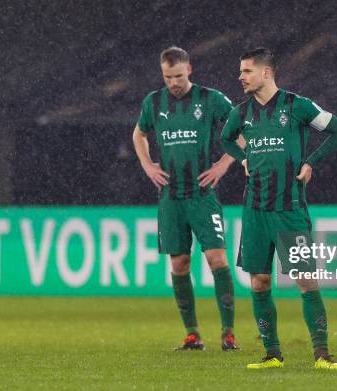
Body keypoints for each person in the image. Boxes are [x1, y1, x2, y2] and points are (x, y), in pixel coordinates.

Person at [221, 48, 337, 369]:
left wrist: (311, 162)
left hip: (289, 209)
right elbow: (225, 140)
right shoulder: (240, 113)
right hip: (254, 210)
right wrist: (243, 158)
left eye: (246, 71)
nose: (240, 77)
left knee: (306, 281)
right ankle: (272, 354)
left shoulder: (297, 106)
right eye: (240, 71)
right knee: (259, 283)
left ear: (266, 73)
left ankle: (322, 354)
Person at [133, 46, 244, 351]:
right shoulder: (154, 102)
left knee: (216, 258)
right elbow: (138, 134)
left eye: (179, 76)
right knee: (179, 263)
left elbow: (243, 132)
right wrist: (147, 164)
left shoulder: (211, 100)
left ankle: (228, 332)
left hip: (201, 194)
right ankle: (192, 334)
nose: (174, 83)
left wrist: (223, 164)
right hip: (170, 197)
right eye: (168, 77)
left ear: (190, 70)